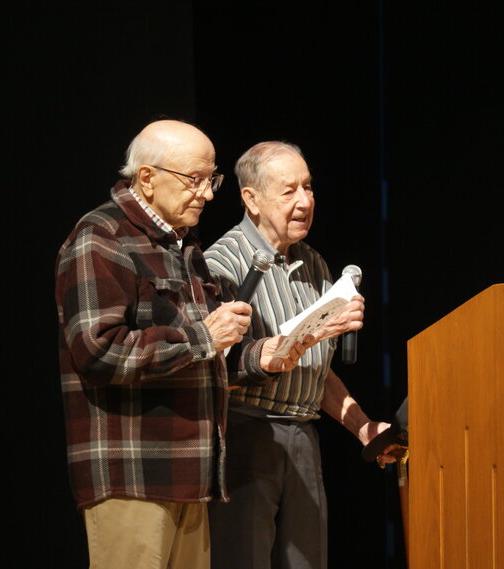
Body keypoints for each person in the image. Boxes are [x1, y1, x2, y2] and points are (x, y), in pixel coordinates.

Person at [54, 120, 311, 569]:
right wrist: (203, 337)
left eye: (211, 180)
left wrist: (260, 357)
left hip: (192, 476)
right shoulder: (102, 237)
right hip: (133, 474)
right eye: (195, 180)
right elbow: (98, 351)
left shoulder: (184, 246)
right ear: (147, 177)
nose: (208, 194)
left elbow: (204, 355)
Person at [203, 140, 395, 569]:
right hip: (246, 434)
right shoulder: (221, 264)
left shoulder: (314, 264)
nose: (305, 201)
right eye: (289, 191)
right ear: (251, 200)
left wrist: (362, 427)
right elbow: (211, 366)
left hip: (302, 436)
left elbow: (313, 370)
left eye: (308, 188)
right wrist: (293, 344)